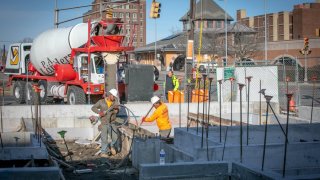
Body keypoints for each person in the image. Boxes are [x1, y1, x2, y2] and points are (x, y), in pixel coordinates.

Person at [91, 89, 120, 157]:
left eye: (115, 96)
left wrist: (116, 110)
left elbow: (117, 110)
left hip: (112, 122)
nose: (114, 98)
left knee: (115, 137)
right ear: (110, 95)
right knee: (104, 138)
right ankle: (103, 152)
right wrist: (99, 112)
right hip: (104, 122)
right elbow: (93, 108)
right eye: (113, 96)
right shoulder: (101, 102)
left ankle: (112, 146)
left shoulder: (115, 101)